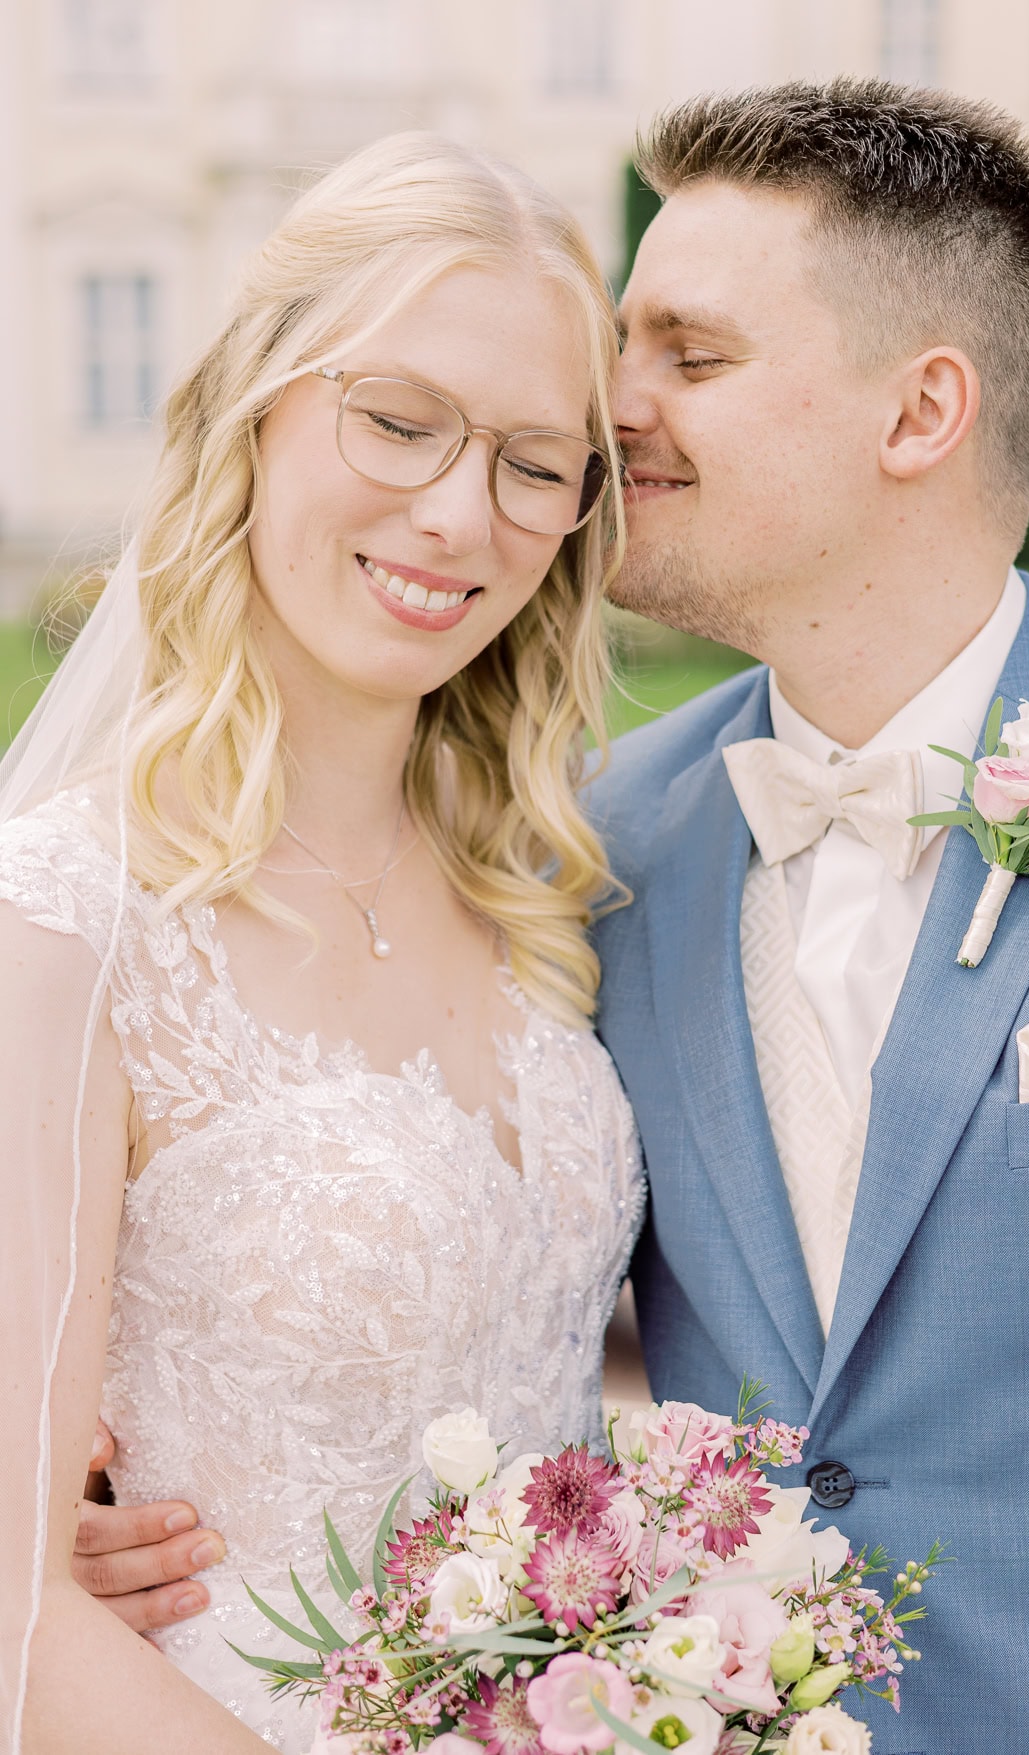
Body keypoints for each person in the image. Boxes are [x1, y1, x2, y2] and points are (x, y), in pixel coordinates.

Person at [69, 78, 1029, 1752]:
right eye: (619, 357)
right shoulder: (597, 849)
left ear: (919, 410)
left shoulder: (524, 862)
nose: (610, 415)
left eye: (691, 359)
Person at [0, 133, 642, 1754]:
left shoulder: (548, 884)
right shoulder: (69, 916)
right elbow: (11, 1607)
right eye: (399, 420)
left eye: (531, 459)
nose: (456, 515)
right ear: (255, 408)